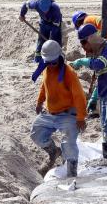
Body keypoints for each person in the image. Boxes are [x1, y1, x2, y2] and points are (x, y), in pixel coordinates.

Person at [32, 40, 86, 178]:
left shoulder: (69, 73)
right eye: (48, 62)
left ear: (59, 58)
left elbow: (79, 96)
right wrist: (39, 101)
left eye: (53, 62)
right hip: (50, 113)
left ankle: (72, 174)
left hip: (68, 114)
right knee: (36, 133)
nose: (50, 65)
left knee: (69, 144)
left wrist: (80, 117)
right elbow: (44, 87)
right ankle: (53, 152)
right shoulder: (46, 70)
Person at [71, 23, 107, 159]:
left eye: (84, 42)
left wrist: (82, 61)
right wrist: (94, 98)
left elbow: (98, 65)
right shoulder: (100, 52)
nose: (84, 47)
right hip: (106, 93)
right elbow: (101, 77)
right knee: (106, 127)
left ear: (91, 38)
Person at [20, 0, 63, 66]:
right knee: (41, 40)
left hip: (55, 23)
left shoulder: (55, 9)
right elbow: (25, 4)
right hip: (44, 22)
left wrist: (51, 40)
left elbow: (55, 27)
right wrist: (22, 15)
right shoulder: (35, 3)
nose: (45, 11)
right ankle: (38, 59)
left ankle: (56, 59)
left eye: (46, 10)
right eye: (43, 10)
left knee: (55, 41)